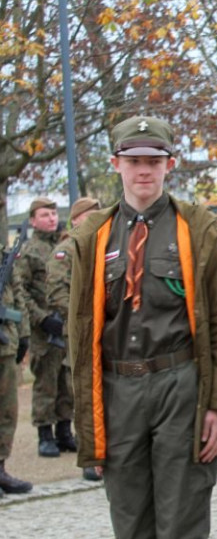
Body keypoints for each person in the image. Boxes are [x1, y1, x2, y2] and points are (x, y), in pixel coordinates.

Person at [68, 115, 217, 539]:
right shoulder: (91, 235)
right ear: (115, 163)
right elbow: (78, 329)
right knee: (133, 524)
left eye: (155, 160)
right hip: (117, 388)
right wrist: (83, 412)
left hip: (180, 385)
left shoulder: (198, 227)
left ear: (170, 165)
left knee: (182, 520)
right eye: (134, 160)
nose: (144, 171)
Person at [45, 195, 102, 481]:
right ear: (77, 219)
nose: (97, 218)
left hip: (107, 332)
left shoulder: (104, 246)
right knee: (83, 396)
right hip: (80, 333)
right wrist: (82, 320)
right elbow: (56, 293)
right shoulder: (67, 251)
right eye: (91, 214)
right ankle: (89, 458)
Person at [16, 197, 75, 458]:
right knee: (46, 384)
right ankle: (45, 434)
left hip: (65, 325)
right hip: (44, 330)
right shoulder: (29, 251)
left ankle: (65, 431)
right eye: (44, 215)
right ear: (32, 220)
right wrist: (40, 318)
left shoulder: (65, 245)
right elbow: (22, 292)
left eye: (53, 213)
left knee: (67, 382)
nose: (51, 218)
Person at [0, 231, 30, 498]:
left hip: (6, 345)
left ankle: (1, 468)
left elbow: (19, 296)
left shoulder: (5, 257)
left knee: (7, 412)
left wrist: (24, 335)